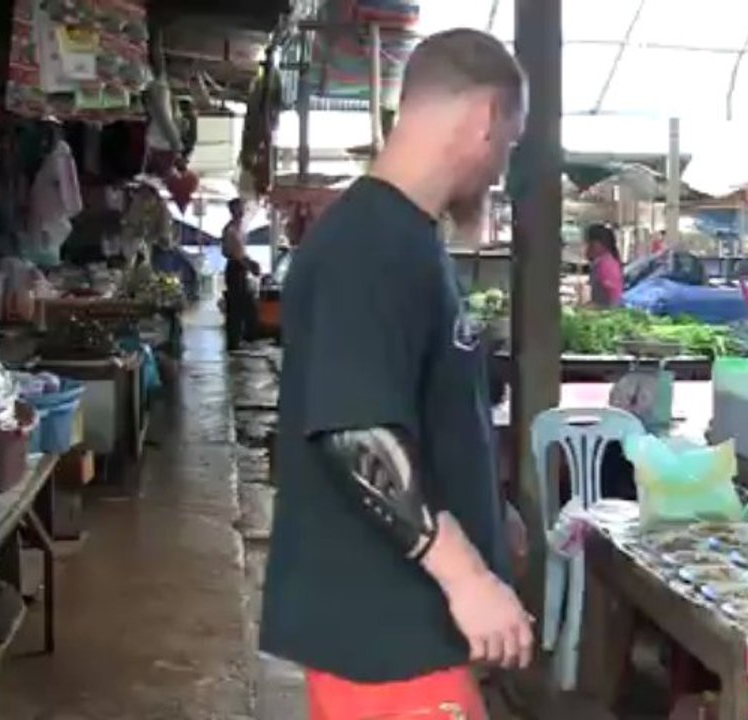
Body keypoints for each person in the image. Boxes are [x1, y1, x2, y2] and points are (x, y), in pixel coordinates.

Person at [260, 29, 531, 720]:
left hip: (398, 630)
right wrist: (468, 578)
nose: (500, 169)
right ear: (485, 118)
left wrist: (488, 511)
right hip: (386, 639)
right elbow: (359, 435)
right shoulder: (370, 244)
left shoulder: (404, 237)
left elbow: (415, 405)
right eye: (509, 144)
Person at [222, 198, 259, 348]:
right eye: (239, 208)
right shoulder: (231, 230)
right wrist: (249, 265)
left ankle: (243, 339)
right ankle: (236, 341)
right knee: (239, 306)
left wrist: (249, 263)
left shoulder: (239, 228)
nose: (243, 211)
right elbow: (234, 253)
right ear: (233, 211)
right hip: (235, 268)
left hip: (240, 268)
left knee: (245, 305)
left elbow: (241, 252)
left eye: (243, 208)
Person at [585, 223, 624, 307]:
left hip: (607, 310)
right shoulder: (599, 262)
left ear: (601, 244)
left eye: (591, 244)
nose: (588, 247)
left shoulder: (606, 264)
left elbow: (613, 293)